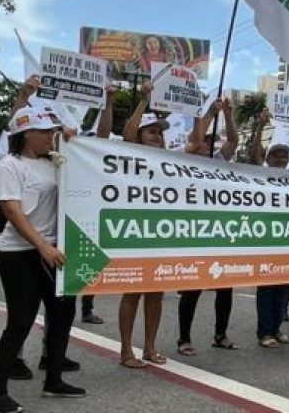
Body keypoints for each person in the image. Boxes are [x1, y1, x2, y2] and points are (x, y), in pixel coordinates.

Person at [0, 107, 86, 413]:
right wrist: (42, 245)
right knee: (20, 322)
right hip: (19, 254)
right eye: (45, 131)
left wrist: (71, 144)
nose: (50, 136)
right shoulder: (10, 165)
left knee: (63, 314)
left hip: (53, 251)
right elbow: (12, 211)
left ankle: (54, 379)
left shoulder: (55, 162)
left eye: (52, 131)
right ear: (26, 133)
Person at [177, 97, 239, 354]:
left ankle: (220, 334)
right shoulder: (184, 161)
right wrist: (211, 113)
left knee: (225, 287)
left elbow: (233, 142)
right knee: (192, 288)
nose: (204, 144)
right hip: (195, 233)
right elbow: (193, 140)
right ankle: (184, 338)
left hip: (220, 233)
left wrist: (228, 115)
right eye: (201, 140)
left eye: (207, 141)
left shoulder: (218, 161)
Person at [117, 82, 168, 368]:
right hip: (135, 231)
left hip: (159, 232)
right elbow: (127, 135)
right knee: (132, 292)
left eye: (160, 133)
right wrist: (144, 101)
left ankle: (150, 348)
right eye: (152, 131)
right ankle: (126, 350)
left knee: (155, 294)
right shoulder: (130, 153)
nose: (157, 136)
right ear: (140, 134)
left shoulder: (167, 159)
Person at [250, 108, 289, 348]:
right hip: (267, 239)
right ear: (268, 159)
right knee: (267, 289)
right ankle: (264, 332)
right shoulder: (261, 174)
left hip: (286, 240)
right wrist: (260, 127)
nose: (279, 159)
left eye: (283, 156)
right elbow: (254, 154)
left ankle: (276, 328)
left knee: (282, 288)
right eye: (275, 155)